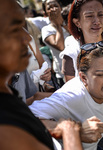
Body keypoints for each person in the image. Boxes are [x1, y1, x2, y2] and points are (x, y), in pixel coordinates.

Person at [0, 0, 83, 149]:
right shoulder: (5, 129)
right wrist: (70, 133)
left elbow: (31, 99)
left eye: (22, 26)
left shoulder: (8, 89)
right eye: (13, 29)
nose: (26, 39)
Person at [29, 44, 103, 150]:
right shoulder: (72, 96)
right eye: (100, 74)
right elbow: (28, 119)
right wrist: (77, 131)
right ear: (84, 78)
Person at [42, 0, 70, 87]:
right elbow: (60, 46)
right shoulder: (46, 30)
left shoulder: (69, 23)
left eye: (55, 6)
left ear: (61, 8)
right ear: (45, 13)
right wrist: (58, 25)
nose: (53, 9)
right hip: (63, 73)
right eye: (49, 8)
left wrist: (62, 23)